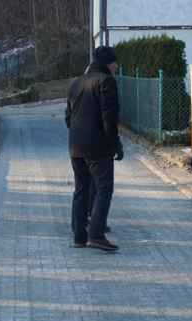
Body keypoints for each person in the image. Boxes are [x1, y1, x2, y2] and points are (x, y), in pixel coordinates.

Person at [65, 45, 123, 252]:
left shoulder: (77, 83)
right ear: (108, 62)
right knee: (104, 188)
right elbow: (110, 116)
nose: (116, 66)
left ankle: (79, 236)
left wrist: (78, 136)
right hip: (98, 147)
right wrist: (114, 143)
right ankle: (97, 235)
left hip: (76, 146)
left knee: (81, 190)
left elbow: (68, 117)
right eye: (115, 62)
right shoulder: (106, 81)